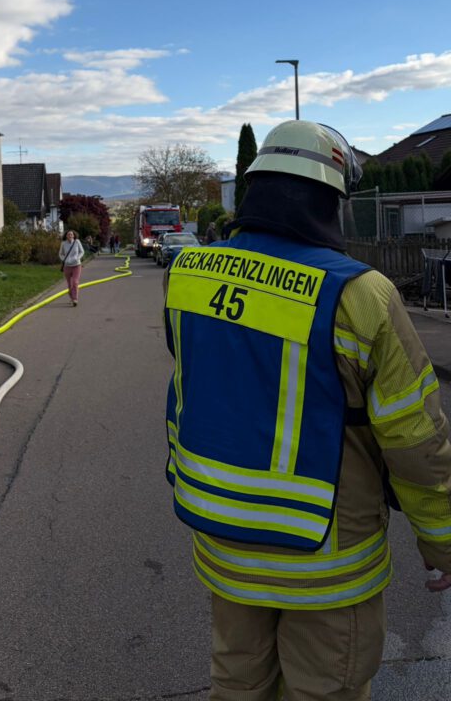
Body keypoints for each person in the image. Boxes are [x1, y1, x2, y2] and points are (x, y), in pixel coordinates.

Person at [164, 120, 451, 701]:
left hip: (225, 546)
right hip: (327, 562)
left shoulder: (187, 276)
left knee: (237, 687)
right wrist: (442, 542)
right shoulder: (360, 293)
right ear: (332, 199)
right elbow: (414, 438)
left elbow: (191, 393)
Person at [58, 229, 85, 306]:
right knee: (69, 284)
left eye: (71, 234)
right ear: (66, 236)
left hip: (77, 265)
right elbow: (60, 254)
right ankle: (72, 298)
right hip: (67, 266)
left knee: (75, 282)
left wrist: (78, 258)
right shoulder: (63, 243)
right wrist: (64, 259)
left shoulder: (77, 242)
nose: (70, 236)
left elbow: (82, 251)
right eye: (68, 235)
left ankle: (75, 299)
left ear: (74, 235)